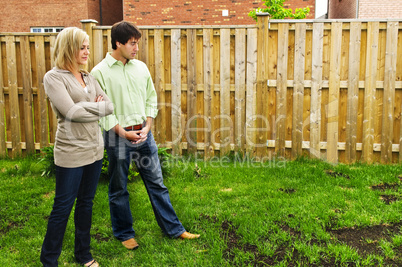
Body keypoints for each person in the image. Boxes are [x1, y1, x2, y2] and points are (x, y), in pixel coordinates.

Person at [91, 21, 200, 250]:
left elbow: (151, 97)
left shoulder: (140, 67)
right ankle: (124, 233)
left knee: (157, 183)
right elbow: (101, 110)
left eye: (137, 43)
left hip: (144, 135)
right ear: (118, 43)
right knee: (119, 187)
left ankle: (174, 230)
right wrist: (122, 132)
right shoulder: (99, 72)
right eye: (132, 43)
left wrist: (148, 125)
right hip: (118, 137)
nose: (136, 48)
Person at [40, 27, 114, 267]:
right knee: (63, 206)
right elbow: (70, 112)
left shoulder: (89, 77)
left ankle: (83, 254)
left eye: (88, 47)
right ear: (69, 48)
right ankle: (49, 260)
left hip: (94, 149)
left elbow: (110, 107)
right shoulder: (54, 77)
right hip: (71, 152)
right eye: (81, 47)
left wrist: (87, 109)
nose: (86, 52)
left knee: (86, 203)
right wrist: (96, 107)